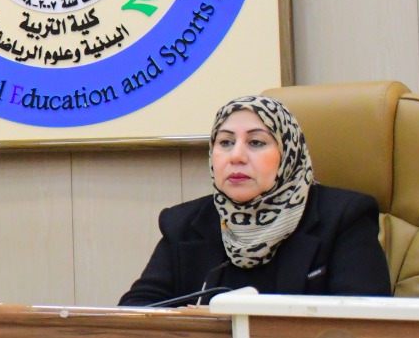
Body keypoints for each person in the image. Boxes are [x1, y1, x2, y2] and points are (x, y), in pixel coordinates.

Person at [118, 95, 392, 306]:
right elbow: (136, 311)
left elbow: (365, 323)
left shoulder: (344, 217)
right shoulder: (184, 223)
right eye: (225, 142)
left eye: (256, 143)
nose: (236, 156)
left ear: (288, 154)